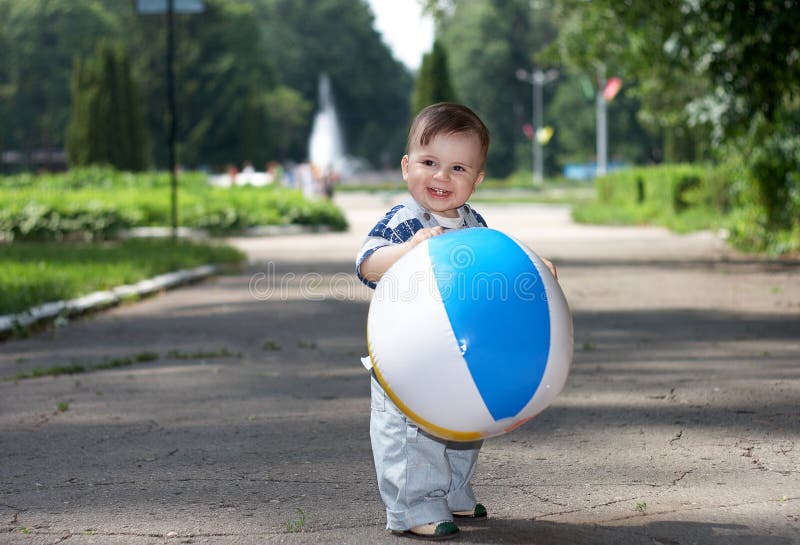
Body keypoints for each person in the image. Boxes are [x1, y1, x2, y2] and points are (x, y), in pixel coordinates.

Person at [356, 103, 556, 540]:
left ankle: (452, 491)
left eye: (458, 167)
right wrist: (406, 251)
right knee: (414, 436)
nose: (441, 177)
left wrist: (535, 266)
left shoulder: (473, 224)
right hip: (407, 357)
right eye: (429, 163)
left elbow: (501, 255)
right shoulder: (403, 220)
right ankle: (413, 507)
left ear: (477, 179)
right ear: (407, 167)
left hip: (464, 357)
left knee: (465, 427)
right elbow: (367, 264)